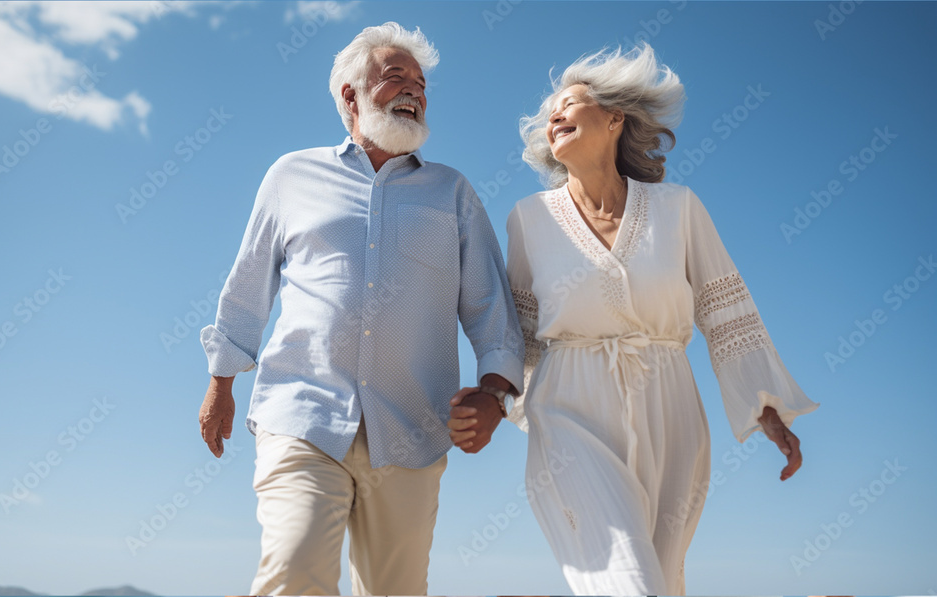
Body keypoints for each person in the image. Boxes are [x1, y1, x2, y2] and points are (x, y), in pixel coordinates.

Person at [448, 43, 819, 594]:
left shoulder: (679, 209)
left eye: (569, 103)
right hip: (570, 407)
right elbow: (519, 330)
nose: (554, 116)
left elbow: (726, 311)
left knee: (663, 579)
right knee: (627, 578)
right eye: (550, 112)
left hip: (671, 408)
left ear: (615, 118)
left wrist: (767, 408)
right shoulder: (529, 219)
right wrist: (496, 400)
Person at [197, 22, 524, 596]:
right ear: (350, 93)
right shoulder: (291, 175)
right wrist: (220, 382)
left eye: (422, 84)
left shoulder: (452, 192)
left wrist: (495, 394)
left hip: (412, 427)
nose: (414, 91)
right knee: (293, 572)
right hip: (302, 413)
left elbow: (489, 304)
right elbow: (249, 283)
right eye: (396, 76)